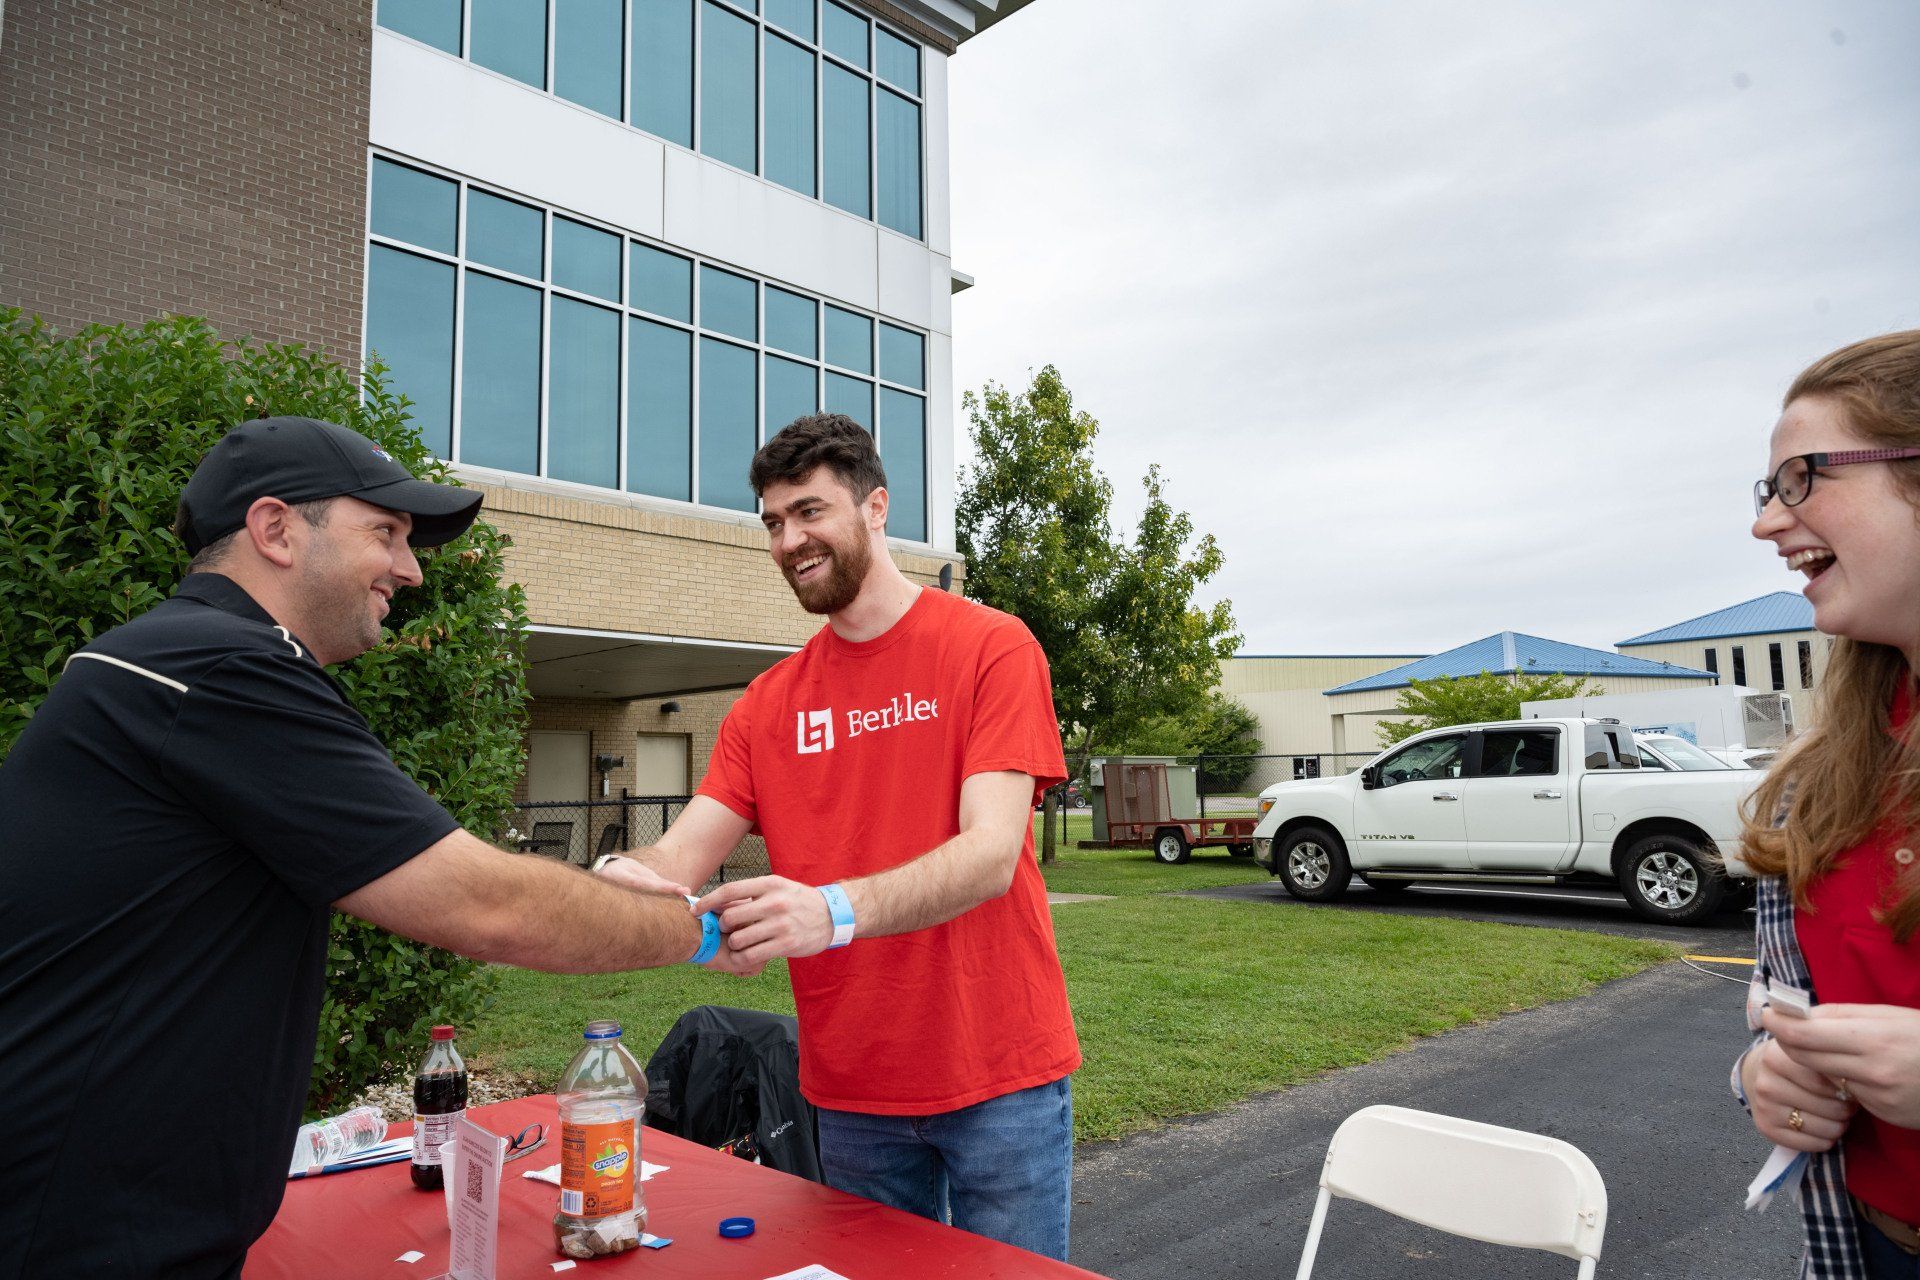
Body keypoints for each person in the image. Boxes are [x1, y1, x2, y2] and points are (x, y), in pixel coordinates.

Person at [0, 417, 712, 1279]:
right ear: (275, 531)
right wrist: (694, 929)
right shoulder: (224, 670)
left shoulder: (173, 661)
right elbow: (484, 904)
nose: (410, 570)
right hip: (76, 1233)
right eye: (385, 532)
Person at [598, 414, 1081, 1259]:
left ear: (876, 507)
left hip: (1000, 1075)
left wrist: (829, 911)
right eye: (774, 523)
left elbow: (990, 854)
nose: (789, 540)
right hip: (852, 1094)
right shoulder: (767, 704)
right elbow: (678, 859)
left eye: (810, 512)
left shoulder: (991, 648)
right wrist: (602, 879)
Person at [1739, 331, 1920, 1278]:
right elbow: (1782, 1004)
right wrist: (1764, 1077)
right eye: (1767, 489)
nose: (1769, 522)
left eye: (1802, 478)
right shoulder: (1818, 778)